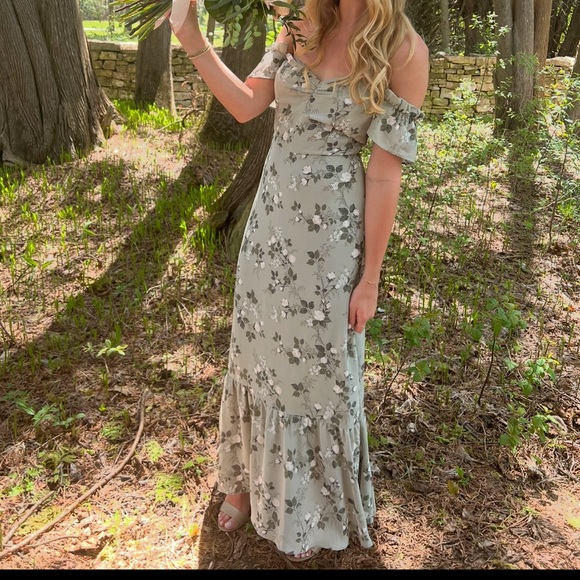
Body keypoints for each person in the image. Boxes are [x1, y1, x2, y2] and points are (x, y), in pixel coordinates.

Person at [172, 0, 429, 563]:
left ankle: (309, 507)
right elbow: (247, 104)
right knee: (255, 356)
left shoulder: (404, 50)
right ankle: (242, 481)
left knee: (318, 374)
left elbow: (384, 175)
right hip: (269, 227)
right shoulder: (302, 17)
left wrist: (370, 278)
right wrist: (189, 34)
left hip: (330, 244)